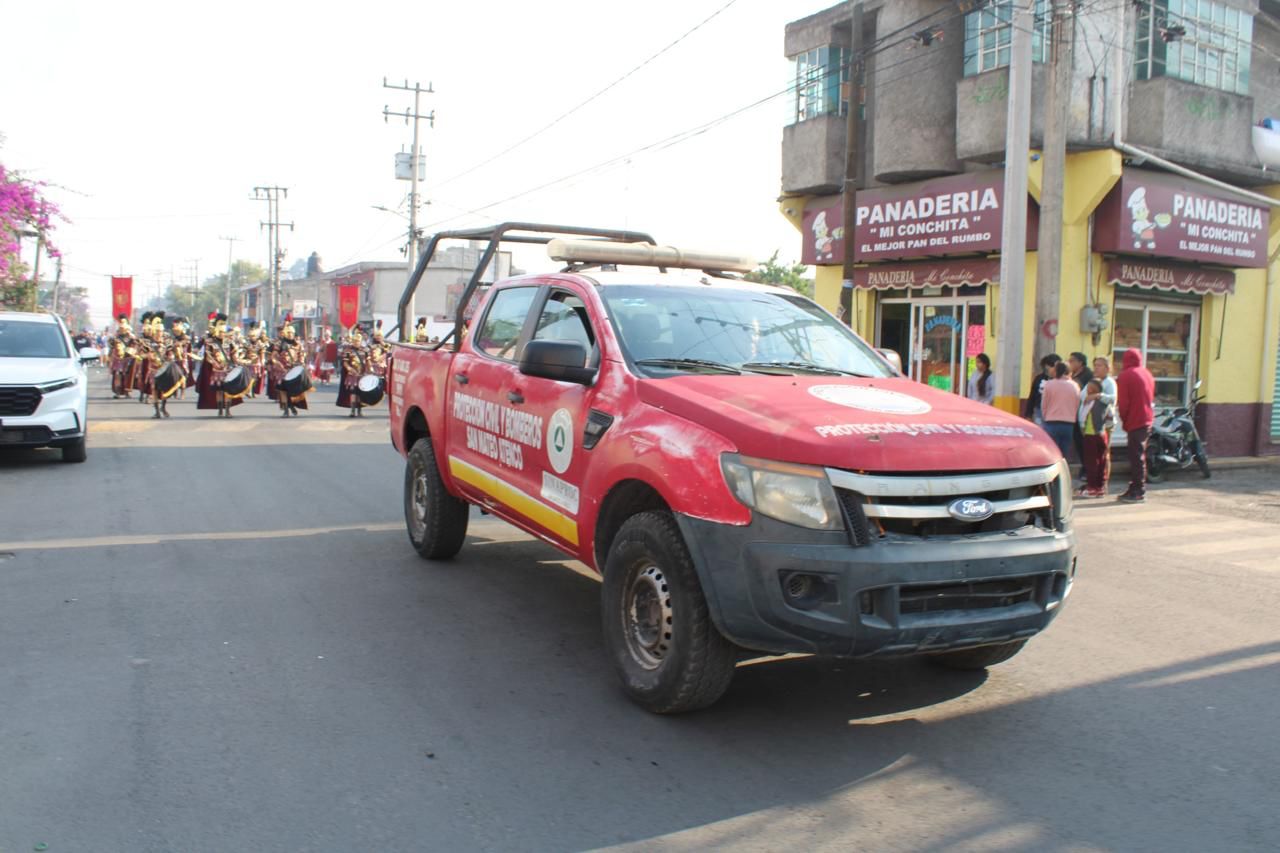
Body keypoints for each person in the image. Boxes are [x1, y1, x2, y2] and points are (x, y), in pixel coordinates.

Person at [1116, 348, 1156, 503]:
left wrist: (1124, 419)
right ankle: (1136, 487)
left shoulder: (1126, 375)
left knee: (1136, 456)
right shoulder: (1147, 373)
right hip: (1146, 418)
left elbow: (1124, 403)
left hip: (1135, 419)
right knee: (1139, 455)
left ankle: (1138, 490)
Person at [1077, 379, 1113, 498]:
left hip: (1092, 434)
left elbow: (1082, 418)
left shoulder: (1094, 402)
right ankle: (1100, 487)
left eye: (1088, 388)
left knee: (1091, 462)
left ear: (1092, 390)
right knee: (1100, 461)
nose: (1086, 391)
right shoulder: (1098, 402)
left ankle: (1092, 487)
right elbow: (1110, 418)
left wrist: (1097, 395)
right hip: (1101, 434)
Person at [270, 322, 311, 417]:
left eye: (292, 333)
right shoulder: (279, 344)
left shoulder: (298, 344)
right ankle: (286, 410)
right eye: (288, 333)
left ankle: (291, 406)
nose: (290, 334)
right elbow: (273, 357)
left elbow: (302, 356)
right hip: (282, 370)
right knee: (283, 390)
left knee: (292, 391)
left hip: (294, 369)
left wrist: (301, 363)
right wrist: (278, 363)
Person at [1040, 362, 1079, 460]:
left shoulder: (1049, 384)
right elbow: (1077, 404)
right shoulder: (1075, 386)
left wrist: (1045, 417)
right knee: (1063, 454)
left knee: (1051, 453)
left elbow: (1044, 405)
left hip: (1051, 422)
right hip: (1068, 424)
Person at [336, 326, 367, 417]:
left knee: (361, 392)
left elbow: (368, 362)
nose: (356, 342)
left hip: (362, 374)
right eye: (355, 341)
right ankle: (353, 410)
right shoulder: (348, 351)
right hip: (352, 374)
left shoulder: (365, 350)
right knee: (353, 392)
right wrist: (350, 369)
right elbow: (345, 363)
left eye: (358, 341)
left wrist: (369, 370)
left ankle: (359, 410)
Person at [1024, 353, 1060, 424]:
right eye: (1052, 366)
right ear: (1046, 366)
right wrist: (1028, 414)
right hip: (1039, 410)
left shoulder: (1061, 380)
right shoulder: (1038, 379)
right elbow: (1032, 397)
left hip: (1054, 412)